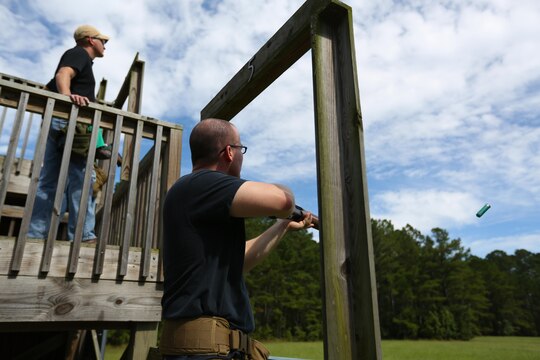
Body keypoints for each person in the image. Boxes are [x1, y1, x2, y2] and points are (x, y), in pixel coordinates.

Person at [161, 118, 313, 360]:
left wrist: (282, 226)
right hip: (206, 353)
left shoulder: (192, 191)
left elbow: (238, 260)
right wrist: (286, 195)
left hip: (209, 351)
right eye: (241, 148)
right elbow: (283, 201)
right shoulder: (202, 184)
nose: (242, 156)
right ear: (229, 153)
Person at [28, 25, 110, 242]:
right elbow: (63, 74)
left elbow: (49, 86)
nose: (105, 46)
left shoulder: (74, 57)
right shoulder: (79, 54)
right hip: (71, 124)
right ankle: (83, 236)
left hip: (58, 123)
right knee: (82, 180)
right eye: (104, 41)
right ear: (91, 40)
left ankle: (35, 236)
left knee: (49, 181)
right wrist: (67, 99)